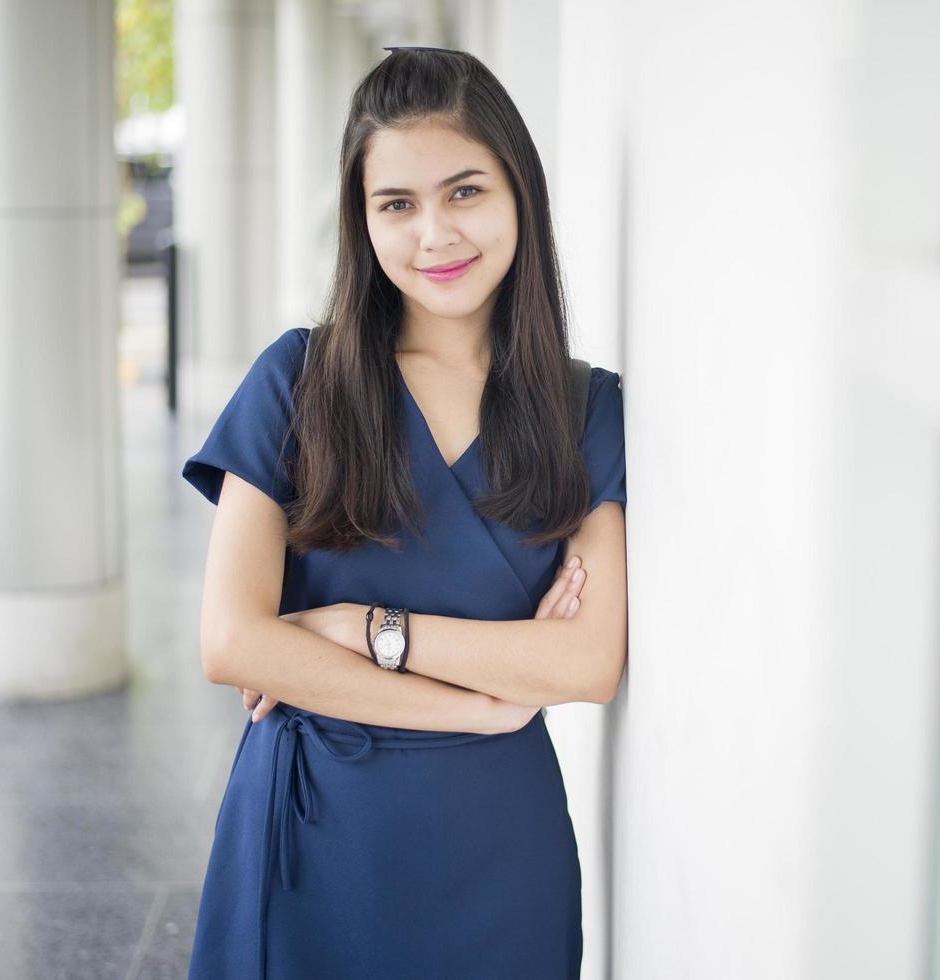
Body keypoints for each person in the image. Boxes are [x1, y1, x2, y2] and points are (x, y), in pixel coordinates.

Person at [179, 45, 627, 980]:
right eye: (398, 204)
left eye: (465, 192)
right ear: (363, 219)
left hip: (499, 855)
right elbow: (232, 642)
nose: (435, 235)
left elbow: (586, 660)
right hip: (310, 839)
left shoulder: (587, 409)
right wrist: (479, 710)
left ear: (520, 196)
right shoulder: (297, 379)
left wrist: (355, 628)